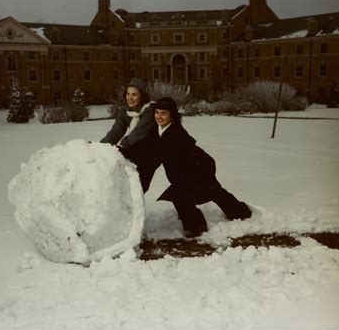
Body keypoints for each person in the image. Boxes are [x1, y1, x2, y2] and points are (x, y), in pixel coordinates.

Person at [152, 97, 252, 238]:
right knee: (213, 191)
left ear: (172, 115)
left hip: (198, 169)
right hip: (193, 169)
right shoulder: (162, 129)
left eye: (164, 113)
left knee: (180, 193)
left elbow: (164, 155)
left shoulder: (175, 133)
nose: (159, 116)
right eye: (157, 112)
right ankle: (239, 211)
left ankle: (196, 226)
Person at [101, 77, 158, 192]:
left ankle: (135, 208)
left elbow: (139, 132)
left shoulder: (150, 110)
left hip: (152, 151)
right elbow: (116, 131)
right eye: (128, 94)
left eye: (134, 95)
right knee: (128, 183)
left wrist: (122, 147)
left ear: (142, 95)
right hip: (136, 148)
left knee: (140, 185)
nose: (130, 98)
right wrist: (101, 146)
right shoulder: (125, 110)